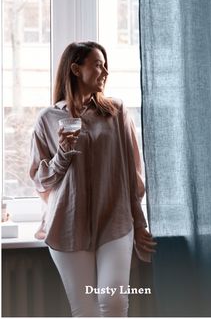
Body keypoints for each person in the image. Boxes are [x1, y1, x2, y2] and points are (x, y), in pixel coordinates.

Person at [29, 41, 156, 317]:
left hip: (115, 222)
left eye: (105, 64)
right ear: (75, 69)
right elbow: (40, 180)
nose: (105, 71)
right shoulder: (47, 119)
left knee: (113, 304)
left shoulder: (116, 112)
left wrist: (140, 223)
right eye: (98, 64)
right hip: (67, 224)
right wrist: (63, 152)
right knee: (85, 311)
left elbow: (132, 174)